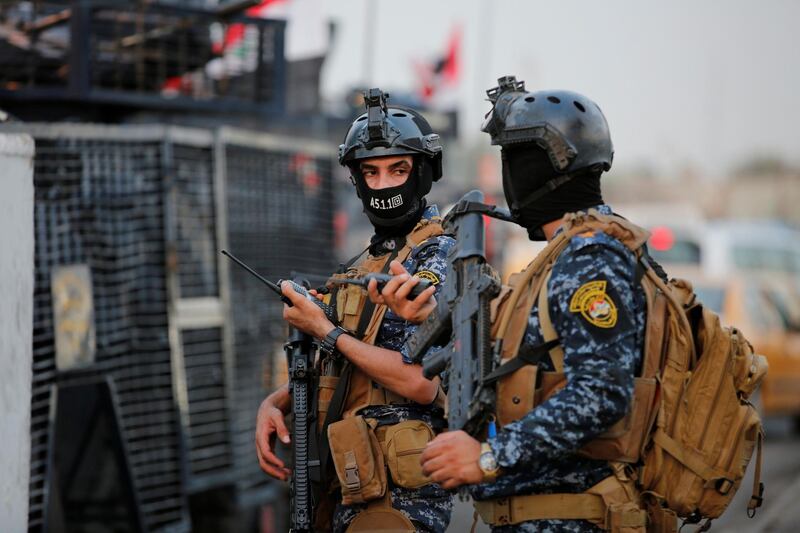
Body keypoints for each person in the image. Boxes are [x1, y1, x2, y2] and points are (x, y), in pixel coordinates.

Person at [380, 76, 653, 532]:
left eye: (512, 159)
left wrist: (490, 455)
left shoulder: (592, 259)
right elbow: (535, 360)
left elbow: (601, 394)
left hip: (576, 517)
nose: (509, 177)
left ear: (543, 166)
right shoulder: (568, 253)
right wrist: (436, 319)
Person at [255, 88, 454, 532]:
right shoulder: (366, 263)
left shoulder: (438, 256)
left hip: (404, 492)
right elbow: (349, 365)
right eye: (371, 172)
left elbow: (418, 382)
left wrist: (324, 329)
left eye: (397, 170)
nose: (383, 186)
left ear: (422, 174)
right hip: (354, 476)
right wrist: (277, 401)